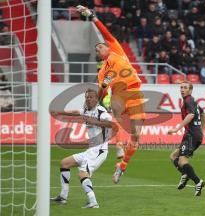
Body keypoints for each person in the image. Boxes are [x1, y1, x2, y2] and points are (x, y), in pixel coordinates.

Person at [76, 5, 145, 184]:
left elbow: (105, 33)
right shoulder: (102, 73)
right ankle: (119, 147)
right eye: (96, 50)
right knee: (116, 118)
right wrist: (104, 86)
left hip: (135, 92)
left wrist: (92, 16)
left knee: (136, 135)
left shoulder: (116, 50)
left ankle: (121, 166)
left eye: (100, 48)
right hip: (119, 95)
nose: (98, 50)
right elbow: (101, 93)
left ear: (107, 47)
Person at [50, 89, 113, 208]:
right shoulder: (85, 110)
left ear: (96, 99)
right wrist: (59, 112)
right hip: (91, 150)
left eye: (90, 97)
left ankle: (93, 202)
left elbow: (112, 124)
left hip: (100, 150)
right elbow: (75, 111)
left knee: (82, 174)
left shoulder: (101, 112)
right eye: (86, 97)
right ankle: (63, 196)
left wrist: (95, 122)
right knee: (65, 163)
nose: (88, 99)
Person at [168, 81, 205, 196]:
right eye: (181, 87)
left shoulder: (188, 100)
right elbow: (203, 115)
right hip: (195, 135)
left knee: (182, 161)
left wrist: (177, 128)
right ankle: (185, 174)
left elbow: (191, 115)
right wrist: (202, 130)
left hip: (191, 135)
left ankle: (198, 182)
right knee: (173, 156)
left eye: (185, 87)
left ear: (190, 90)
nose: (182, 89)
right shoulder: (193, 101)